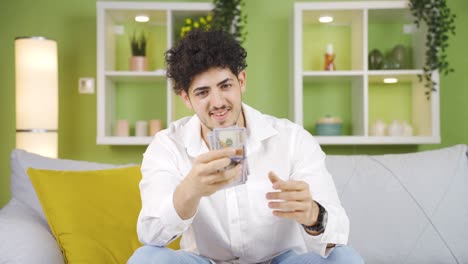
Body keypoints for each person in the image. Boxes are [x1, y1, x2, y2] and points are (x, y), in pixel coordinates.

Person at [128, 29, 363, 264]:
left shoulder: (292, 139)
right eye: (202, 92)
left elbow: (338, 232)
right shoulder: (167, 145)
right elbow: (150, 235)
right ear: (186, 99)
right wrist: (190, 190)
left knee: (345, 259)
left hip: (281, 261)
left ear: (241, 81)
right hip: (206, 261)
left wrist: (313, 214)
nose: (218, 102)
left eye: (225, 86)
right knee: (146, 259)